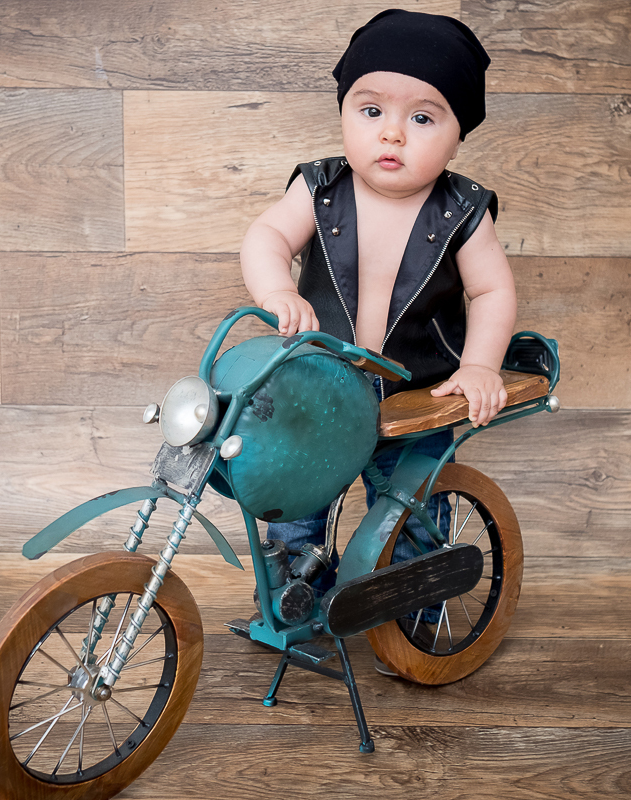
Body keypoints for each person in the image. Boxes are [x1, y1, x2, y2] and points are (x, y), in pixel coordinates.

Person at [238, 10, 517, 665]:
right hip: (321, 389)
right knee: (295, 499)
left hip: (417, 393)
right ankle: (297, 597)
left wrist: (481, 365)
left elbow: (491, 292)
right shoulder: (319, 188)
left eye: (422, 117)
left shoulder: (464, 211)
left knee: (412, 508)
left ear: (457, 137)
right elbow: (266, 236)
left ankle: (416, 610)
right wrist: (277, 291)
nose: (392, 132)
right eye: (371, 111)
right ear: (343, 115)